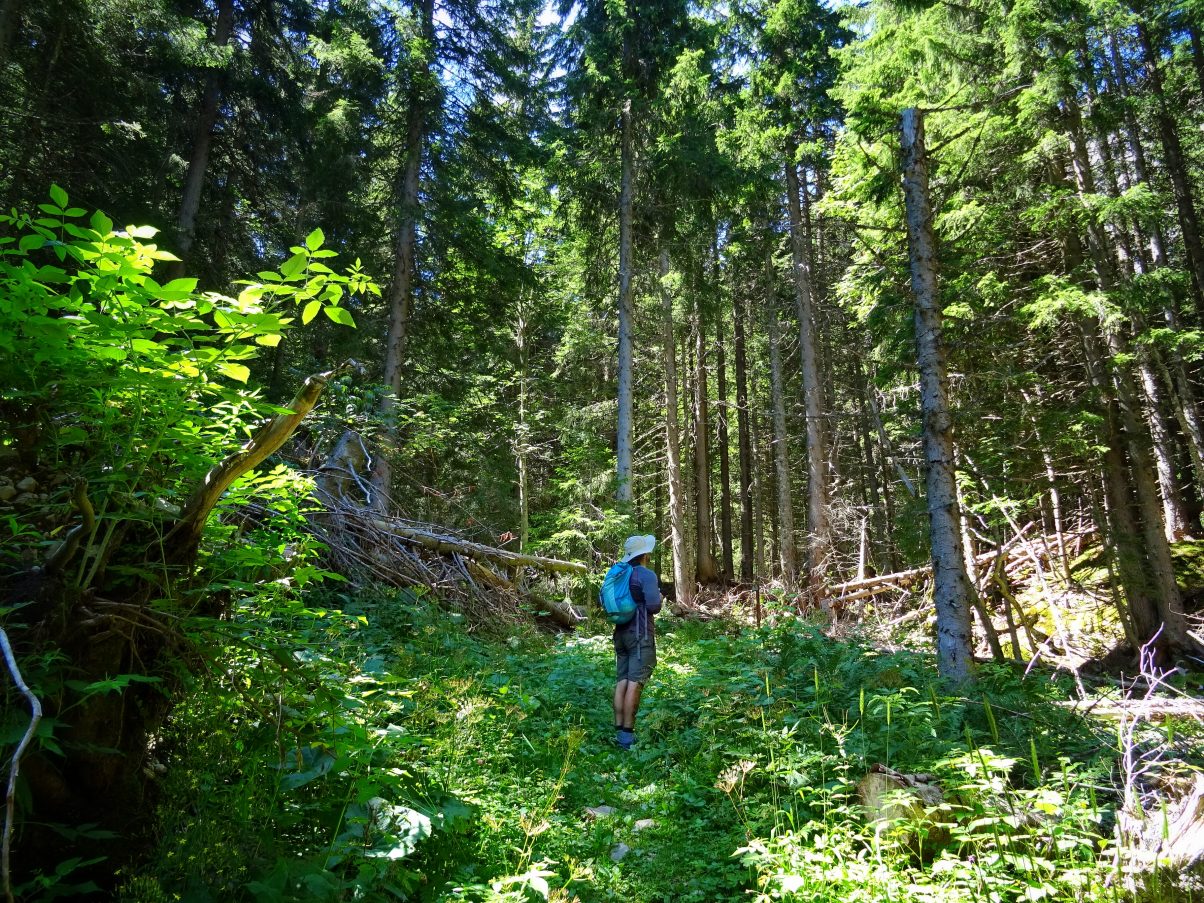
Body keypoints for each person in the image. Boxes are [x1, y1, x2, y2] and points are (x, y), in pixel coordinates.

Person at [612, 534, 661, 750]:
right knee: (635, 683)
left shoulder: (618, 574)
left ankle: (618, 730)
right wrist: (658, 596)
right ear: (645, 554)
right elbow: (653, 607)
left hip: (620, 634)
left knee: (622, 680)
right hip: (640, 635)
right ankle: (627, 737)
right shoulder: (646, 575)